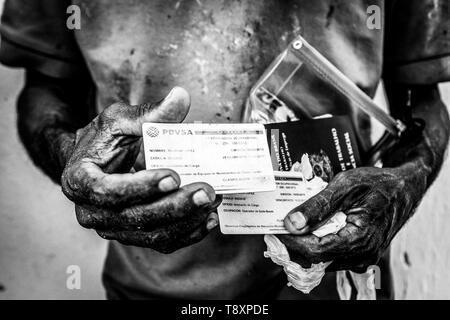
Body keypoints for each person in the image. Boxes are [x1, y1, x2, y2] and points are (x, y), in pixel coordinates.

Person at [0, 0, 449, 300]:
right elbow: (47, 91)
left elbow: (421, 102)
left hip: (337, 281)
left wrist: (402, 185)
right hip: (153, 286)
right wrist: (73, 159)